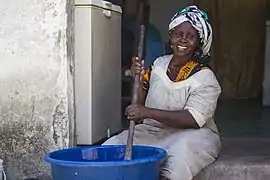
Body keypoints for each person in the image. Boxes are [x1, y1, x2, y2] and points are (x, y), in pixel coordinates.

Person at [103, 5, 221, 180]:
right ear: (171, 36)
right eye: (178, 34)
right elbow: (140, 101)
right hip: (151, 131)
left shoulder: (205, 78)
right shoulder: (158, 64)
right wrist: (137, 77)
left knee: (177, 161)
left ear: (198, 43)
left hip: (192, 135)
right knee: (110, 148)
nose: (183, 40)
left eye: (190, 36)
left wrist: (147, 112)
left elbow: (193, 120)